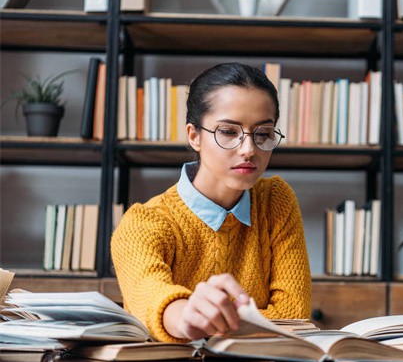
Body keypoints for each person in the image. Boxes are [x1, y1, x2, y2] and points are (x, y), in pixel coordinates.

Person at [111, 63, 311, 343]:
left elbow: (294, 316)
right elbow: (152, 298)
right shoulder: (143, 223)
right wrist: (186, 316)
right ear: (194, 136)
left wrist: (214, 327)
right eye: (229, 132)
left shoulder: (275, 200)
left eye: (263, 134)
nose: (249, 149)